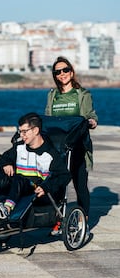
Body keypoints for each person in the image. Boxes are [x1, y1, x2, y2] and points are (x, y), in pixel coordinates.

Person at [0, 112, 71, 220]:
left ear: (36, 130)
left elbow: (64, 176)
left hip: (38, 190)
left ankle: (6, 210)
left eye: (24, 132)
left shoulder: (50, 154)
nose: (21, 135)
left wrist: (47, 187)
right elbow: (2, 159)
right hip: (17, 187)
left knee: (18, 179)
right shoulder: (19, 147)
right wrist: (6, 164)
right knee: (2, 175)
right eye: (20, 131)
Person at [45, 56, 98, 236]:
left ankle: (84, 221)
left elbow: (91, 115)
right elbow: (47, 119)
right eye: (57, 72)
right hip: (57, 147)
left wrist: (91, 122)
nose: (62, 74)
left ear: (71, 72)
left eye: (65, 70)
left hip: (78, 147)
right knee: (58, 185)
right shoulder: (53, 95)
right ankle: (58, 220)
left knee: (79, 185)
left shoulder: (82, 94)